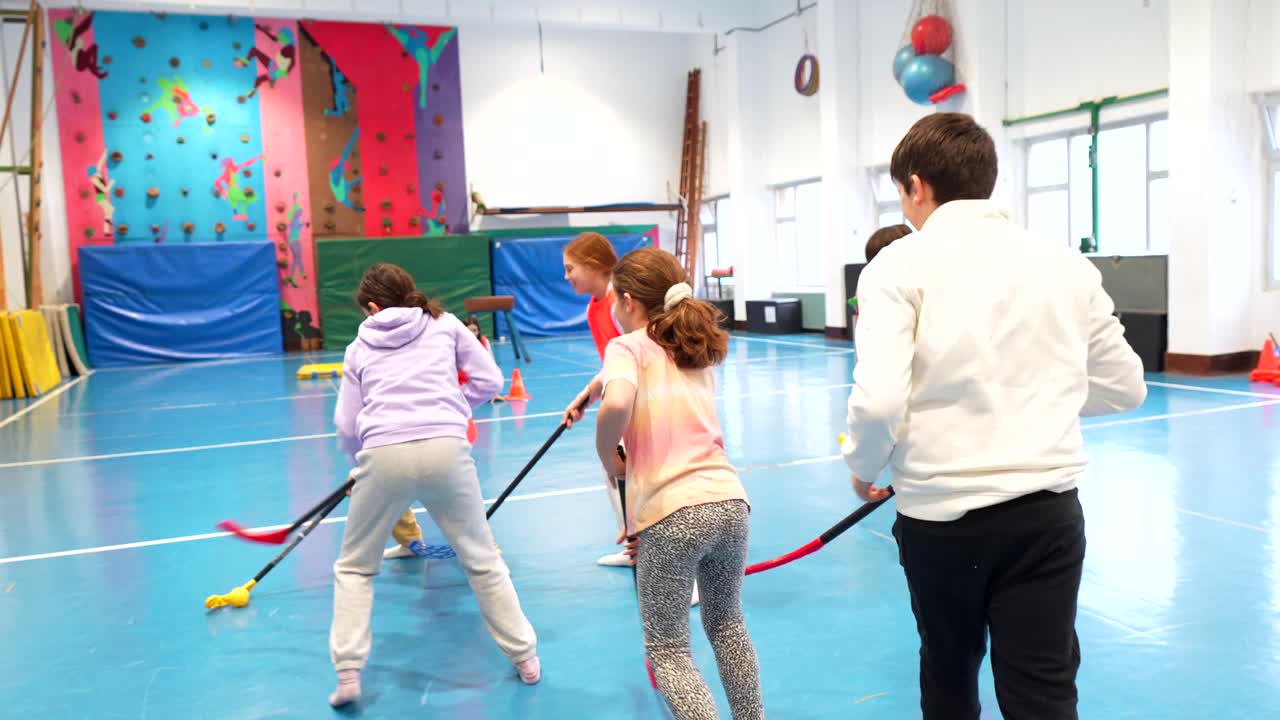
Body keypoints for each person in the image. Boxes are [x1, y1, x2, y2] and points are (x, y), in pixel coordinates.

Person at [842, 113, 1146, 720]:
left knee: (950, 672)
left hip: (942, 520)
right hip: (1048, 516)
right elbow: (1125, 386)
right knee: (1044, 688)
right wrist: (1033, 394)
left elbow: (878, 401)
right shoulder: (1065, 265)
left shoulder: (896, 268)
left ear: (916, 186)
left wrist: (863, 464)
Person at [328, 263, 540, 707]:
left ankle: (348, 673)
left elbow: (346, 425)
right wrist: (451, 410)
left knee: (354, 567)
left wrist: (358, 466)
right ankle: (525, 657)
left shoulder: (357, 346)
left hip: (382, 454)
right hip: (447, 447)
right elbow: (490, 381)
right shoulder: (445, 325)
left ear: (370, 306)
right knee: (481, 559)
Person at [573, 247, 762, 719]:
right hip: (729, 503)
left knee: (669, 649)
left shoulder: (625, 347)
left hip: (673, 512)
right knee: (727, 625)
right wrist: (597, 384)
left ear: (630, 300)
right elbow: (637, 374)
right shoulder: (691, 345)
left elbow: (618, 404)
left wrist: (608, 457)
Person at [560, 233, 698, 606]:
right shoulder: (595, 306)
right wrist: (587, 396)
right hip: (623, 400)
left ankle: (685, 574)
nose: (568, 277)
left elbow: (638, 357)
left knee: (651, 484)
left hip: (644, 411)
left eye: (571, 269)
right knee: (619, 480)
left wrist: (608, 403)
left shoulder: (621, 305)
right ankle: (632, 540)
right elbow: (613, 365)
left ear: (592, 265)